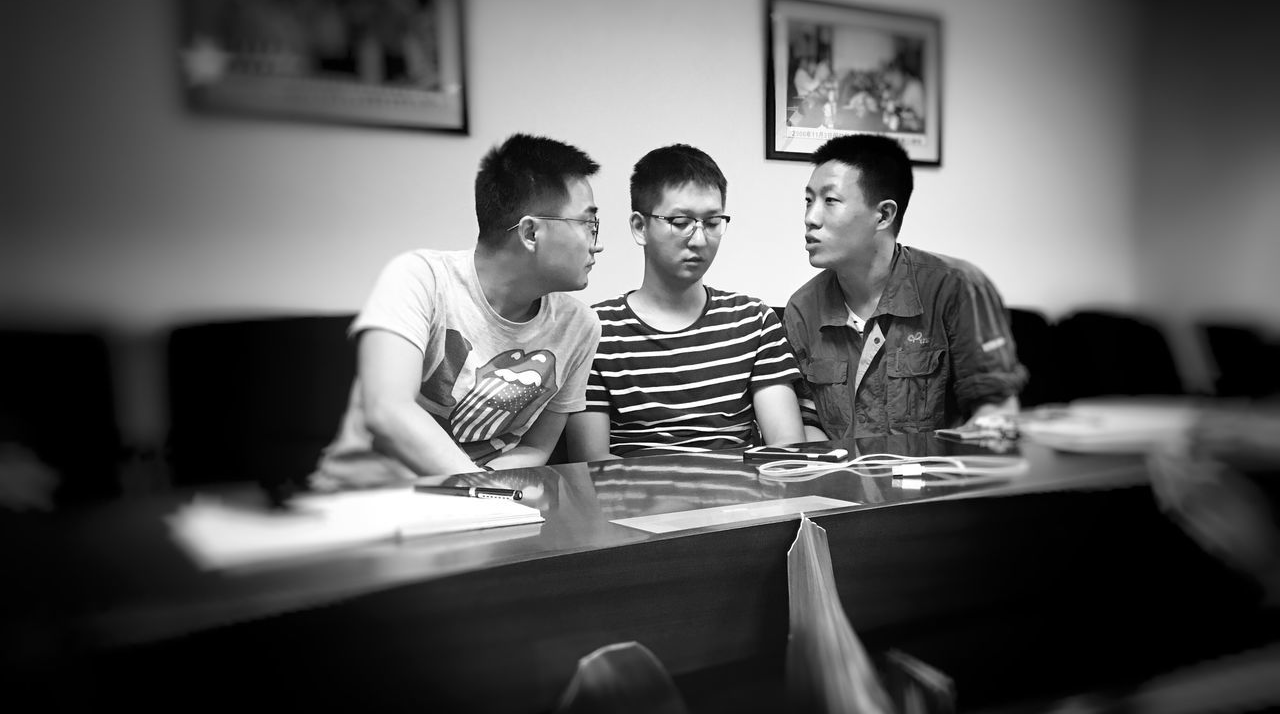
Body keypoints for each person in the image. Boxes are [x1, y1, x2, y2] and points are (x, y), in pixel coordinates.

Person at [310, 133, 604, 490]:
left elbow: (535, 445)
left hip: (481, 505)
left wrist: (495, 495)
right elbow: (388, 411)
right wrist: (482, 490)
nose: (597, 243)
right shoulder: (420, 278)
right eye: (588, 224)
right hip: (371, 498)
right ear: (530, 232)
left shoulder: (579, 326)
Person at [566, 144, 805, 461]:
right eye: (681, 222)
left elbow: (787, 447)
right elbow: (592, 463)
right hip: (636, 505)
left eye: (712, 222)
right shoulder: (595, 330)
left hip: (742, 503)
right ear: (640, 227)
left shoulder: (753, 321)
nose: (700, 238)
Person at [784, 134, 1026, 440]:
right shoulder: (802, 310)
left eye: (830, 201)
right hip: (840, 484)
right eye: (808, 200)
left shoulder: (957, 287)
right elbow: (809, 424)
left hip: (942, 481)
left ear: (884, 215)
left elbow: (995, 409)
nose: (810, 218)